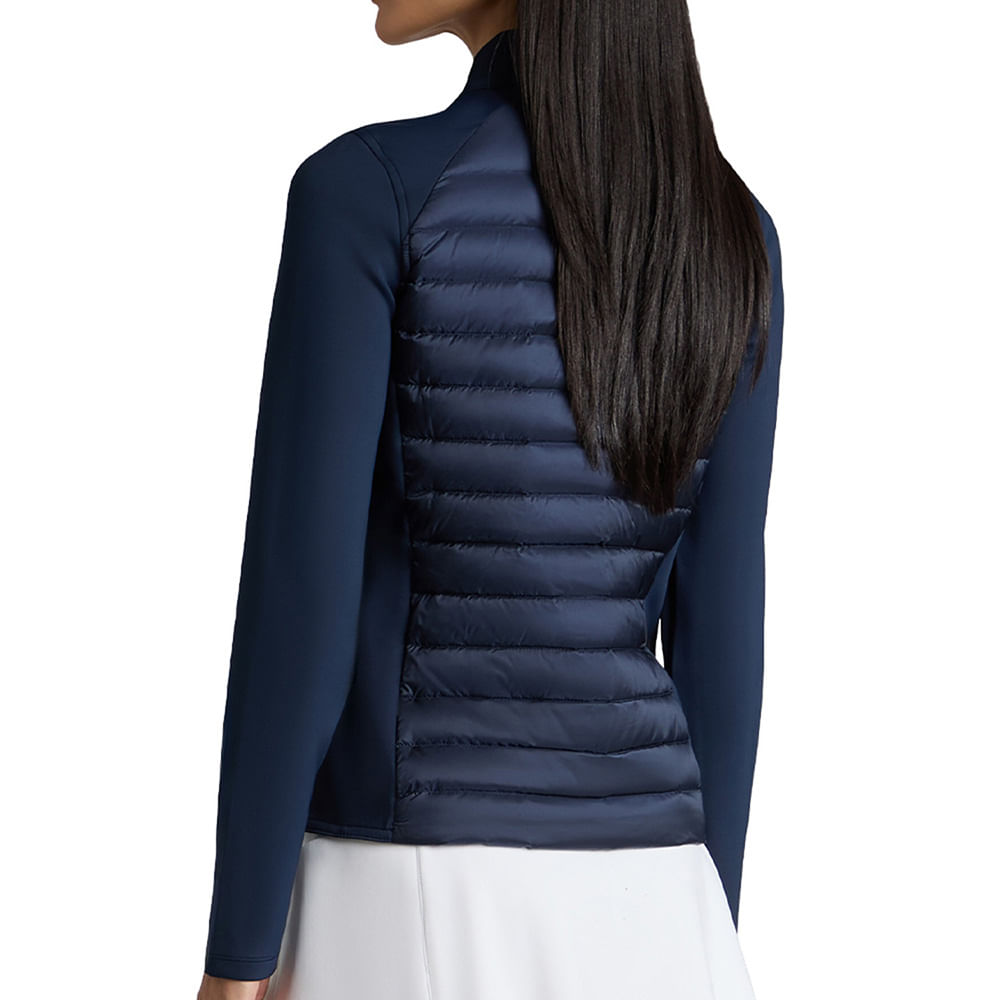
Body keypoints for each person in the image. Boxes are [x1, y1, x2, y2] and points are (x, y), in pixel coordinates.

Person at [197, 3, 784, 999]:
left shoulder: (368, 191)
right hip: (667, 906)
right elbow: (722, 641)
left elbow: (299, 609)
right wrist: (698, 921)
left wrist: (237, 958)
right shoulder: (735, 233)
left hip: (408, 891)